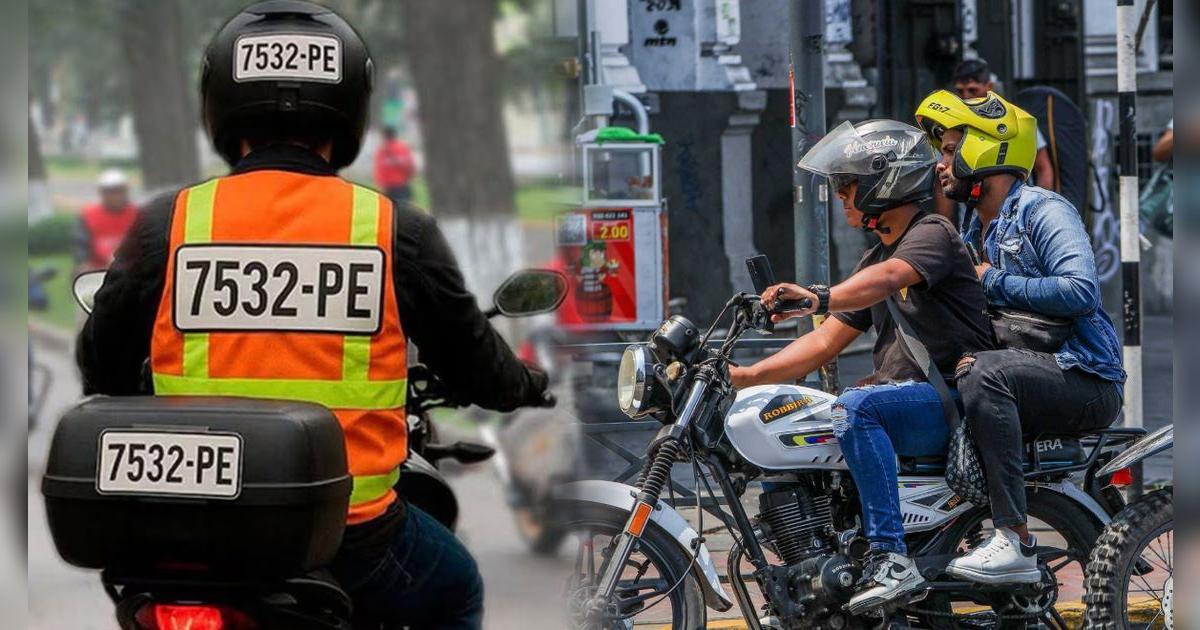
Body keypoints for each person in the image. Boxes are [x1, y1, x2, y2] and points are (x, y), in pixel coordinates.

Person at [76, 3, 550, 628]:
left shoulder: (170, 223)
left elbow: (101, 362)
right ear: (350, 109)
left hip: (197, 528)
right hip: (348, 537)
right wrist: (526, 385)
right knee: (454, 589)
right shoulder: (392, 230)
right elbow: (478, 366)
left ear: (221, 107)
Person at [729, 120, 994, 614]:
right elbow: (825, 343)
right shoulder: (877, 254)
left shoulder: (932, 234)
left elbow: (890, 279)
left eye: (848, 186)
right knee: (787, 447)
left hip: (949, 401)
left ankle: (892, 557)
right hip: (905, 402)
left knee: (856, 408)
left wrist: (818, 296)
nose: (842, 197)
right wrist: (739, 378)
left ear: (884, 183)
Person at [915, 90, 1125, 584]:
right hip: (1028, 372)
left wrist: (990, 279)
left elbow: (1079, 291)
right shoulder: (972, 228)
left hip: (1084, 377)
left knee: (985, 375)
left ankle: (1013, 536)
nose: (941, 165)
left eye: (949, 150)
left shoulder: (1042, 210)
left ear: (990, 148)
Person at [76, 169, 139, 272]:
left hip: (133, 269)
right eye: (109, 192)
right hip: (98, 270)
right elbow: (80, 245)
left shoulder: (137, 214)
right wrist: (83, 263)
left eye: (118, 191)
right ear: (101, 194)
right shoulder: (88, 215)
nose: (114, 196)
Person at [373, 125, 415, 205]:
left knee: (391, 211)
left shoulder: (382, 151)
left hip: (388, 187)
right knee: (404, 209)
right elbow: (410, 166)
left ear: (384, 136)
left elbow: (379, 170)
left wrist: (380, 184)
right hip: (402, 185)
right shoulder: (403, 148)